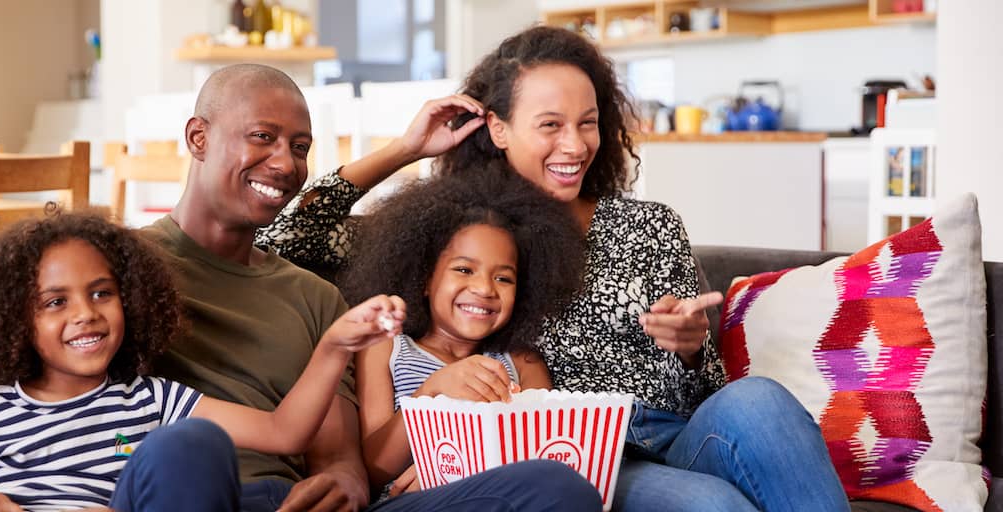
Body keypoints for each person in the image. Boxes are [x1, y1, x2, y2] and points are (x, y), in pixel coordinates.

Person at [0, 63, 600, 512]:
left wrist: (342, 482)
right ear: (199, 138)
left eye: (300, 147)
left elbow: (339, 449)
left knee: (557, 490)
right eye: (264, 137)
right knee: (191, 447)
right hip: (179, 494)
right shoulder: (105, 271)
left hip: (290, 503)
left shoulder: (312, 294)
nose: (284, 161)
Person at [258, 27, 850, 511]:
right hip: (585, 453)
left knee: (761, 399)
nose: (575, 144)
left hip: (680, 430)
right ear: (498, 128)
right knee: (713, 507)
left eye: (588, 122)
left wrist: (693, 349)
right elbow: (287, 235)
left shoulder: (651, 224)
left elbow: (705, 390)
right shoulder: (467, 239)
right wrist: (405, 148)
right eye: (550, 125)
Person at [0, 211, 404, 512]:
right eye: (55, 302)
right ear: (13, 318)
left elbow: (284, 433)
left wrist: (334, 347)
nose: (87, 315)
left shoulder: (150, 398)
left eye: (102, 293)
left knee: (192, 442)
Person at [342, 168, 587, 501]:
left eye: (504, 278)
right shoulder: (387, 348)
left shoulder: (521, 363)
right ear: (424, 279)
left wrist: (446, 469)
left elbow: (542, 455)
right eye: (463, 270)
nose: (485, 288)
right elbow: (373, 468)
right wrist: (431, 393)